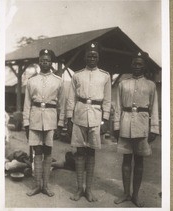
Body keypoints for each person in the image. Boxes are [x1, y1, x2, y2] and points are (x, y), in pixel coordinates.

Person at [66, 42, 111, 202]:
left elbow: (107, 100)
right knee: (79, 153)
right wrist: (69, 119)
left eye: (95, 56)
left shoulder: (105, 76)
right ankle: (79, 189)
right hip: (79, 115)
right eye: (89, 55)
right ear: (85, 57)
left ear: (98, 58)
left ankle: (89, 190)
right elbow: (71, 98)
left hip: (96, 117)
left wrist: (105, 119)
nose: (92, 58)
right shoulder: (77, 75)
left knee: (91, 153)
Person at [113, 52, 159, 207]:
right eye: (134, 63)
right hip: (125, 123)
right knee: (126, 159)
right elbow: (118, 107)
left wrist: (154, 129)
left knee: (139, 161)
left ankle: (136, 195)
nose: (137, 66)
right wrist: (116, 126)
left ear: (144, 66)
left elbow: (154, 109)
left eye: (140, 64)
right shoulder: (123, 84)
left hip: (142, 125)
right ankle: (126, 193)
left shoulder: (151, 85)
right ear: (131, 64)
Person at [23, 49, 65, 197]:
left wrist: (60, 124)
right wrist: (26, 124)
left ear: (51, 62)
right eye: (42, 60)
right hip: (34, 118)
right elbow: (27, 104)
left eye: (47, 60)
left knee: (48, 152)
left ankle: (45, 186)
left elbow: (62, 105)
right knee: (37, 152)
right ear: (39, 61)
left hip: (50, 119)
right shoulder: (31, 81)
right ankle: (37, 185)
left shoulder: (58, 81)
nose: (44, 62)